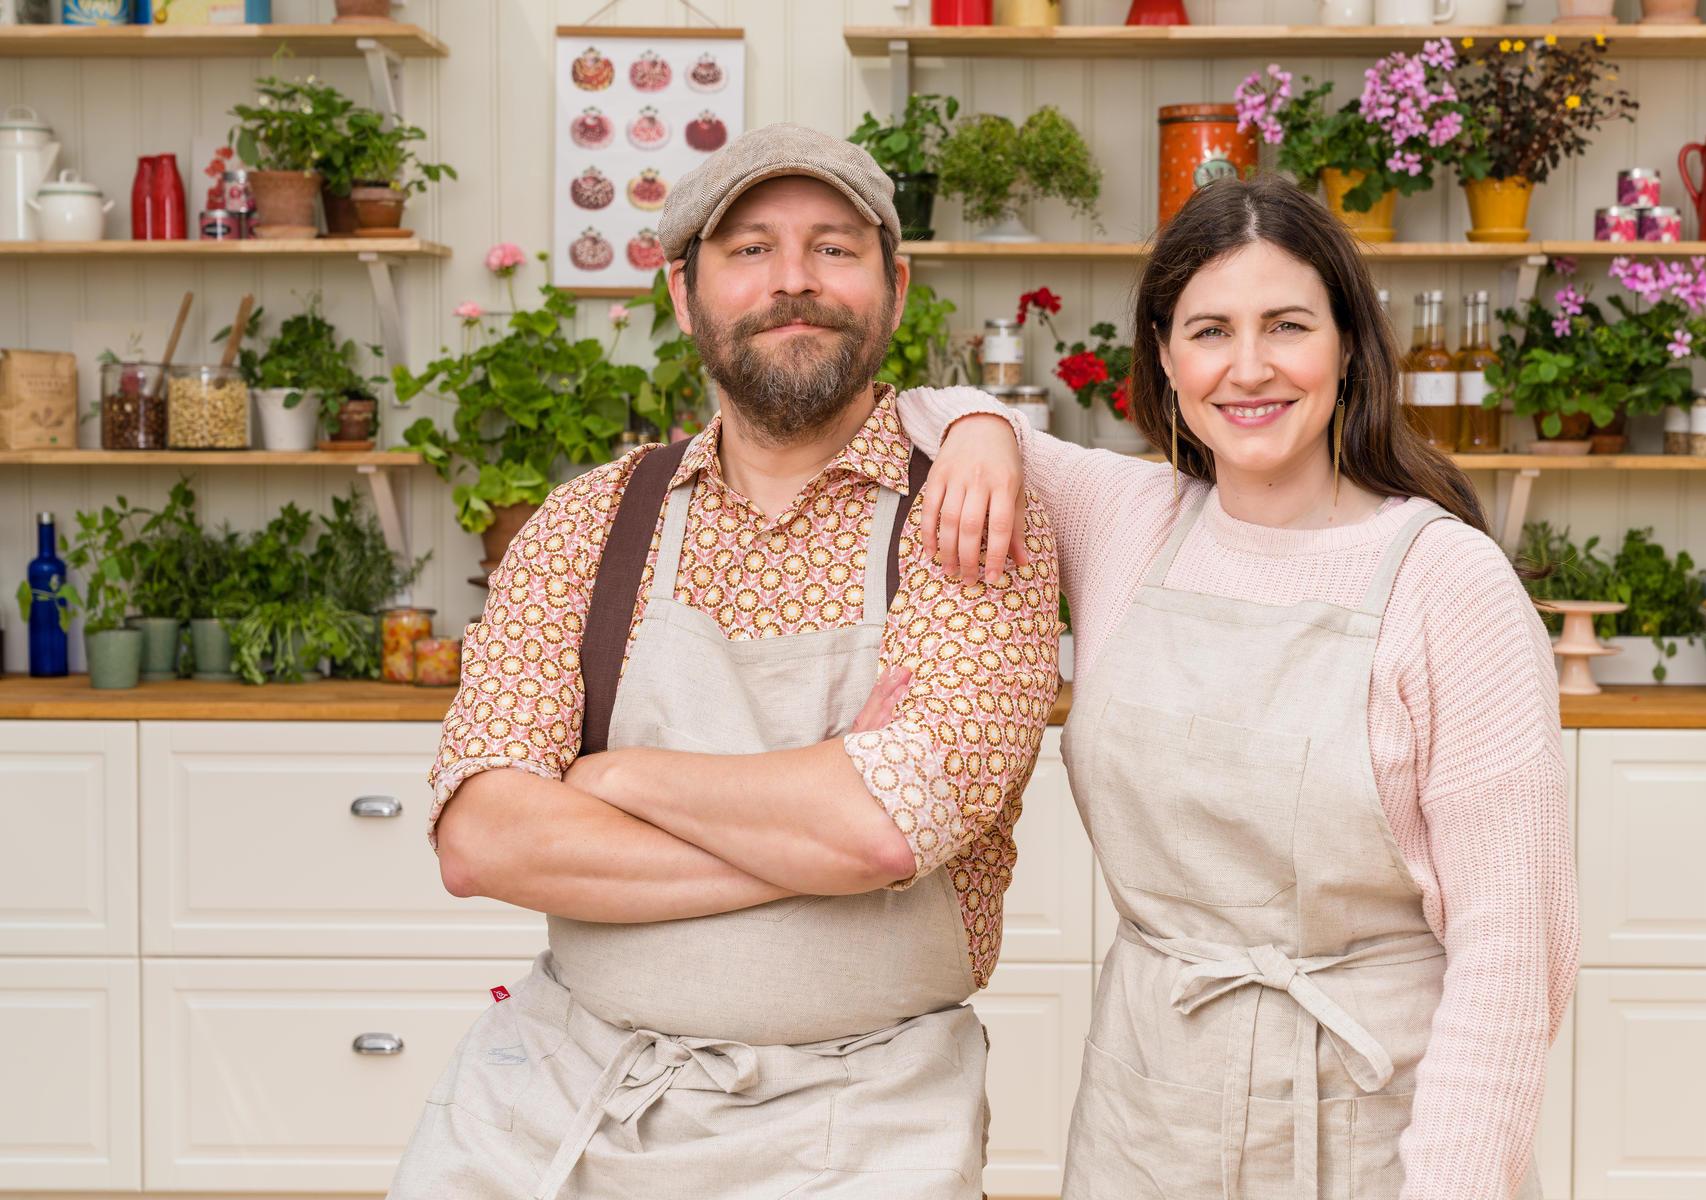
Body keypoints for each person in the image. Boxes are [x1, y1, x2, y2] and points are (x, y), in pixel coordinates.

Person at [387, 124, 1059, 1200]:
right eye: (748, 250)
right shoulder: (584, 525)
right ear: (683, 290)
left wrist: (615, 780)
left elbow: (889, 822)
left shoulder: (972, 519)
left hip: (866, 1114)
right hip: (563, 1092)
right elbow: (481, 838)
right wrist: (825, 837)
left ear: (896, 284)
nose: (793, 281)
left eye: (835, 248)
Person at [894, 174, 1577, 1199]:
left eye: (1288, 325)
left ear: (1349, 346)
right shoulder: (1130, 515)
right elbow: (919, 404)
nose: (1248, 368)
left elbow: (1514, 950)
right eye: (1210, 330)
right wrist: (983, 433)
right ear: (1164, 358)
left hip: (1374, 1127)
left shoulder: (1448, 581)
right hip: (1146, 1114)